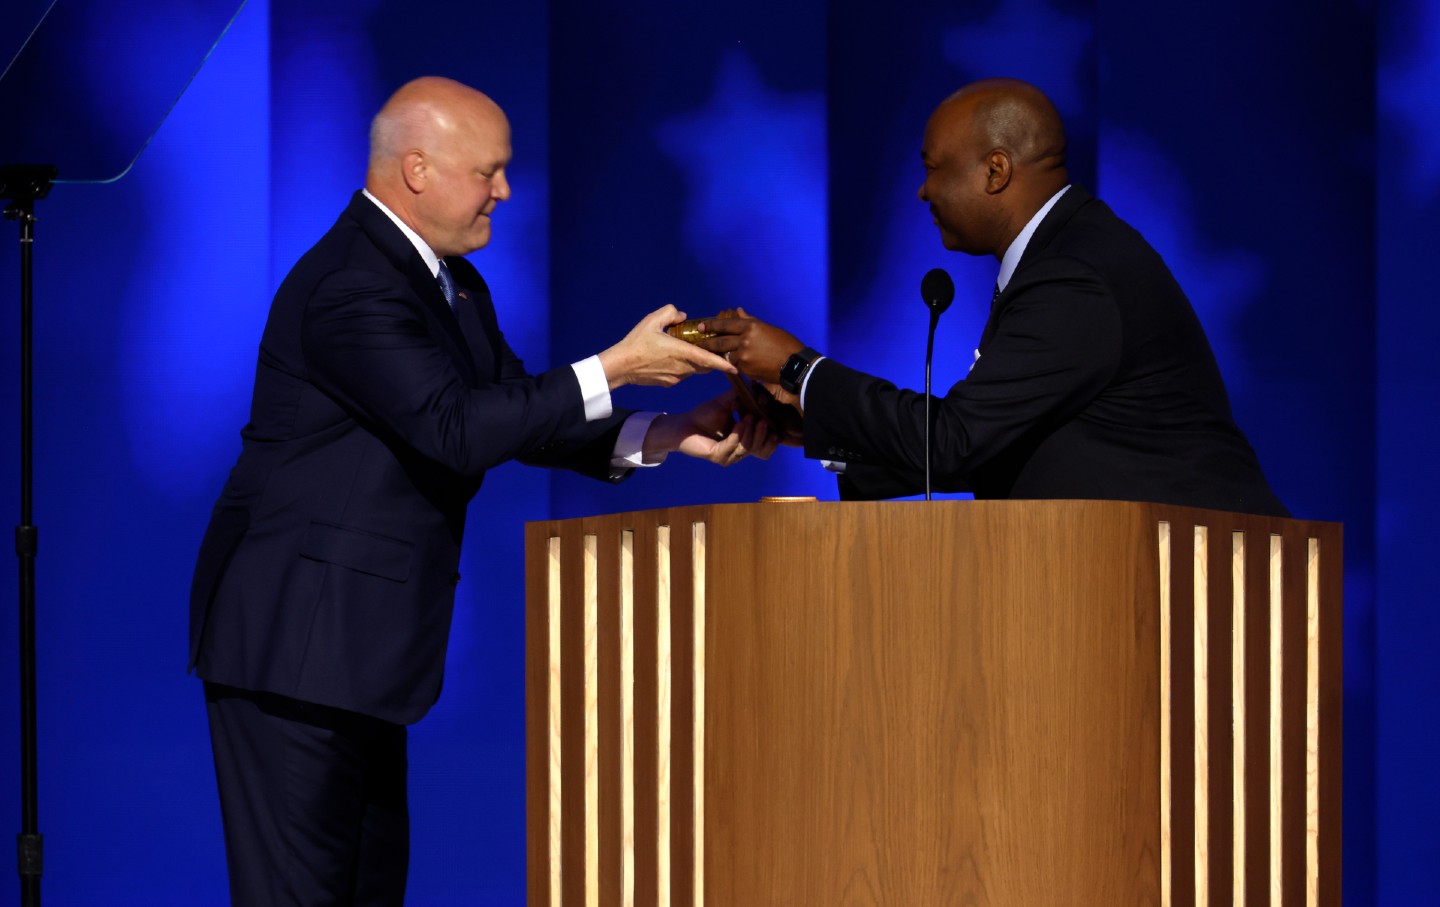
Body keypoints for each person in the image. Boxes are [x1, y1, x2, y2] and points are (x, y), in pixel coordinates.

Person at [188, 76, 773, 905]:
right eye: (488, 171)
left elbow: (516, 412)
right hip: (298, 648)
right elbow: (452, 427)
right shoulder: (352, 283)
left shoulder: (449, 280)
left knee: (364, 888)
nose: (504, 189)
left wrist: (665, 431)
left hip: (359, 656)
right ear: (416, 169)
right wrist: (615, 364)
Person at [698, 78, 1288, 517]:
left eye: (932, 168)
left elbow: (958, 441)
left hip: (1198, 592)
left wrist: (800, 369)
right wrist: (814, 424)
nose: (923, 190)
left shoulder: (1073, 275)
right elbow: (993, 445)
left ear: (996, 170)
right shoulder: (1064, 253)